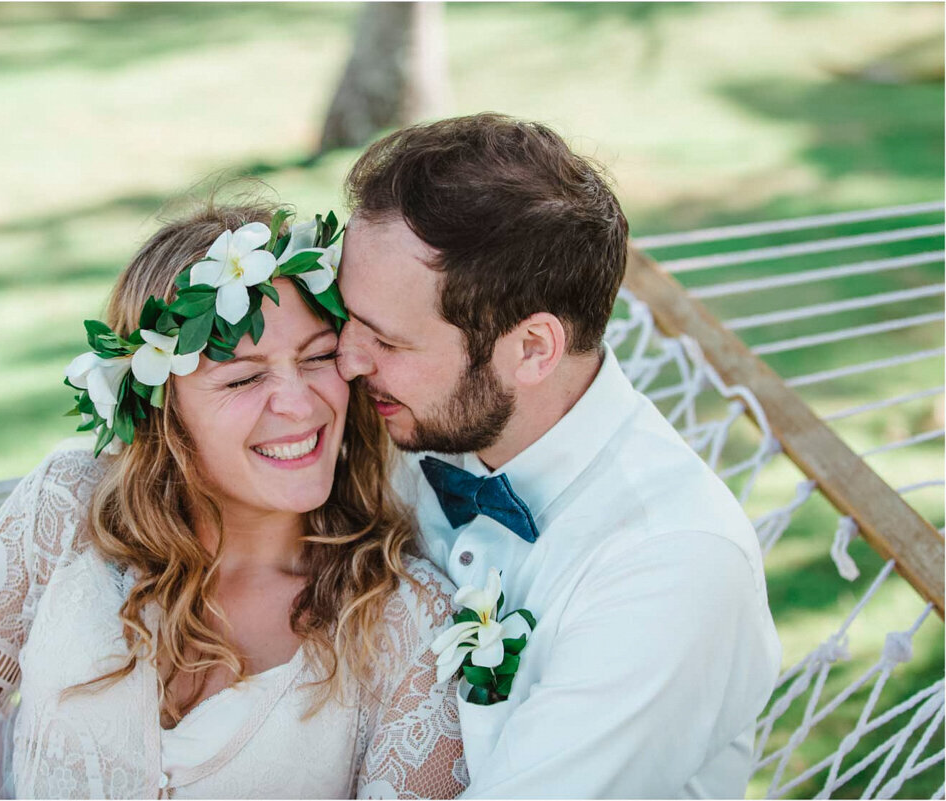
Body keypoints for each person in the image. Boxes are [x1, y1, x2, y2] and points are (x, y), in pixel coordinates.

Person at [0, 201, 468, 800]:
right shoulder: (70, 511)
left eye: (317, 357)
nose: (298, 400)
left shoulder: (406, 624)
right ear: (164, 409)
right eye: (242, 377)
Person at [334, 113, 783, 798]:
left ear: (534, 349)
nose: (345, 360)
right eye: (347, 321)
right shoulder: (413, 423)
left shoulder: (672, 564)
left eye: (388, 341)